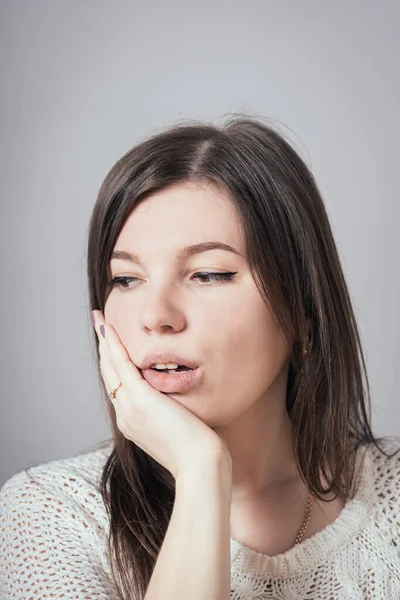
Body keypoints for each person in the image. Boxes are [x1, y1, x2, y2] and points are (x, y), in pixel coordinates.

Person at [0, 115, 399, 600]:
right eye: (126, 279)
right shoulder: (50, 515)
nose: (156, 315)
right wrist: (200, 468)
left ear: (301, 311)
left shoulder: (390, 497)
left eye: (208, 274)